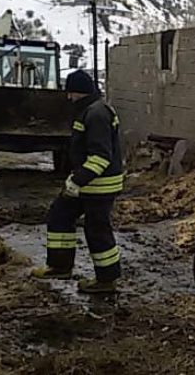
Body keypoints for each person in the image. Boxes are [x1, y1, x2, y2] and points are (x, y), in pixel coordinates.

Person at [31, 70, 124, 293]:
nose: (67, 98)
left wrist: (77, 182)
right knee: (59, 215)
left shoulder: (96, 114)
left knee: (97, 229)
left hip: (99, 186)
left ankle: (106, 280)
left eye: (69, 93)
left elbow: (101, 156)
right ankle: (60, 266)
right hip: (87, 184)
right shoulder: (90, 110)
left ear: (76, 92)